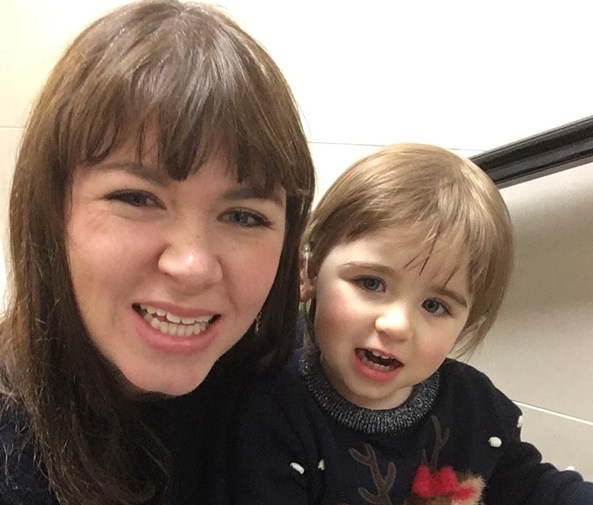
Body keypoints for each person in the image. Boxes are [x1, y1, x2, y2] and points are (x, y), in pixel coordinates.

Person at [0, 1, 315, 504]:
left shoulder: (313, 382)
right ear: (50, 212)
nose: (192, 267)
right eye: (136, 198)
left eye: (244, 216)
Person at [222, 143, 593, 504]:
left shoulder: (474, 406)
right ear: (309, 272)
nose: (397, 325)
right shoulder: (271, 411)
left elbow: (532, 487)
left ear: (464, 325)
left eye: (434, 306)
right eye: (371, 283)